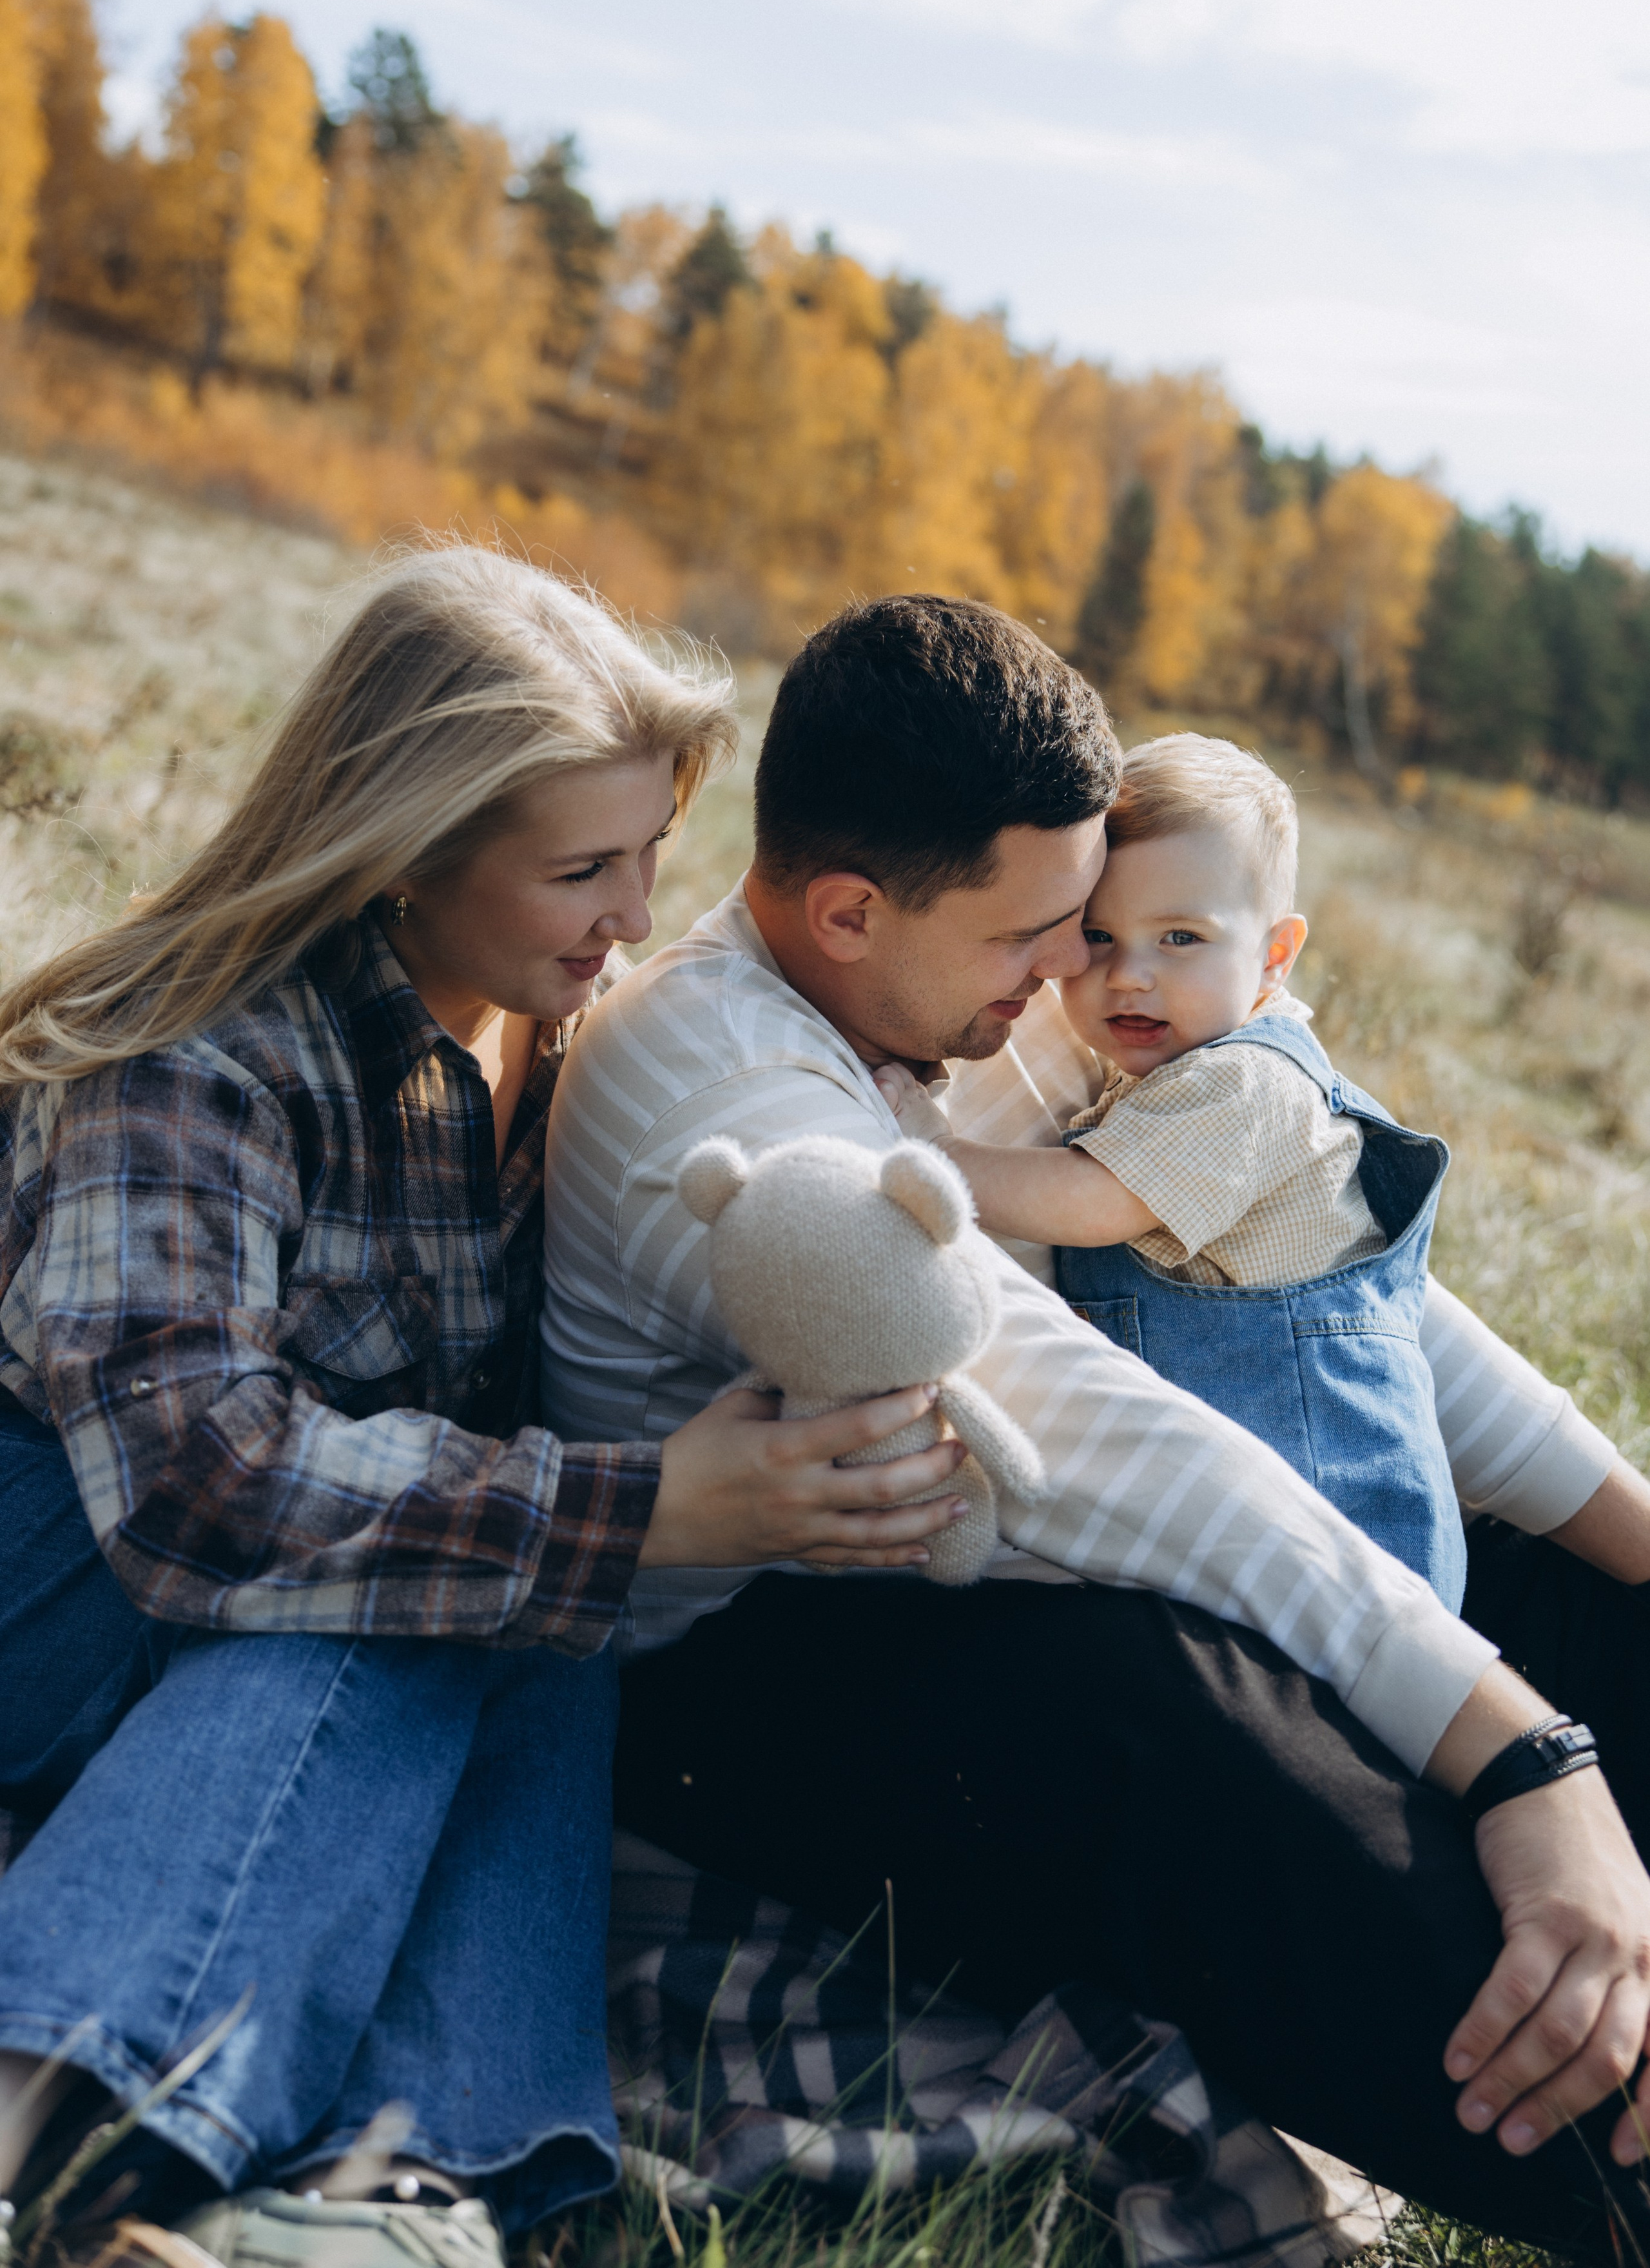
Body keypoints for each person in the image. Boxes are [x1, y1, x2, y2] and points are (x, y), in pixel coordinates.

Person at [541, 593, 1650, 2260]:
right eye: (1036, 934)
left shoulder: (937, 1009)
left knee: (1537, 1583)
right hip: (758, 1676)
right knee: (1199, 1724)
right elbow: (1092, 1440)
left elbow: (1313, 1278)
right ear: (849, 910)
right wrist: (1521, 1760)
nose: (1079, 970)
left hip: (989, 1565)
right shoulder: (721, 1096)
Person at [0, 547, 962, 2268]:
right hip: (52, 1590)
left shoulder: (546, 1049)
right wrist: (650, 1507)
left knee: (527, 1600)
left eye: (654, 852)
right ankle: (42, 2117)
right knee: (442, 1568)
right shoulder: (196, 1058)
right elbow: (200, 1484)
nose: (634, 912)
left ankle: (398, 2207)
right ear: (405, 858)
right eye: (581, 868)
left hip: (223, 1643)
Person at [874, 730, 1466, 1607]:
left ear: (1274, 956)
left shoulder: (1246, 1085)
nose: (1130, 977)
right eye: (1100, 935)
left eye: (1181, 938)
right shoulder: (1170, 1076)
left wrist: (929, 1149)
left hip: (1343, 1539)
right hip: (1244, 1535)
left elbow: (1093, 1201)